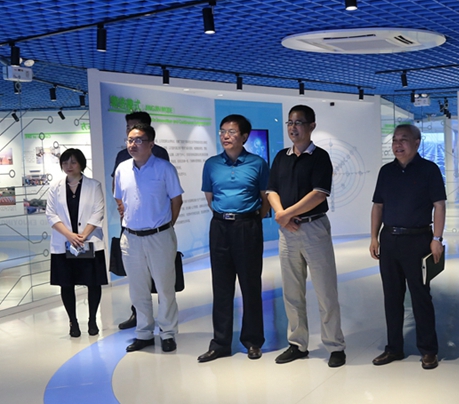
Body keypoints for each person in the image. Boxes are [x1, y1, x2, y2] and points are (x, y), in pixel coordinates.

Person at [267, 105, 346, 368]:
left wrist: (286, 214)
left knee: (325, 290)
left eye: (298, 122)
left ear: (311, 126)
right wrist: (282, 215)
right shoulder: (281, 157)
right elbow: (271, 190)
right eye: (290, 122)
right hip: (287, 231)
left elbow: (319, 194)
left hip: (313, 228)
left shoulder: (320, 157)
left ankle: (334, 345)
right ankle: (297, 344)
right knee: (292, 291)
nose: (293, 127)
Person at [369, 124, 446, 370]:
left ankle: (429, 350)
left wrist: (437, 239)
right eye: (394, 140)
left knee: (421, 296)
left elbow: (439, 205)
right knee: (391, 297)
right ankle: (394, 348)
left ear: (417, 142)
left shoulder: (429, 170)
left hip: (419, 241)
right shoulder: (386, 171)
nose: (397, 144)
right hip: (390, 239)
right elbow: (378, 206)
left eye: (403, 139)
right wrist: (374, 237)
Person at [197, 115, 270, 363]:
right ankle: (220, 343)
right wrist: (225, 215)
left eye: (231, 131)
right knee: (221, 286)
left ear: (245, 136)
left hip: (247, 226)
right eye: (222, 131)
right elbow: (210, 197)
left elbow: (265, 198)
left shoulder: (258, 163)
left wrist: (250, 219)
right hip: (219, 227)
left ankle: (253, 341)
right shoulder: (211, 164)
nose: (225, 136)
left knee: (250, 285)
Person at [114, 124, 184, 353]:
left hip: (159, 236)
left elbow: (176, 201)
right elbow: (119, 198)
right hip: (131, 238)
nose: (132, 144)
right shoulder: (122, 169)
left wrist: (166, 226)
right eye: (129, 140)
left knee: (165, 288)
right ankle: (143, 333)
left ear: (151, 144)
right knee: (138, 289)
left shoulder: (164, 168)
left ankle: (168, 332)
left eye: (138, 140)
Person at [112, 111, 170, 331]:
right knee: (136, 280)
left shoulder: (160, 155)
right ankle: (141, 321)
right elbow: (116, 187)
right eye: (128, 128)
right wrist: (121, 206)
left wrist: (167, 224)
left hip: (157, 228)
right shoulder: (121, 157)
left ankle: (166, 328)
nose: (131, 133)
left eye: (135, 127)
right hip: (131, 227)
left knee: (163, 282)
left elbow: (172, 195)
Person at [46, 148, 107, 337]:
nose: (69, 166)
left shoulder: (93, 185)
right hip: (64, 243)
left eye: (73, 162)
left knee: (93, 283)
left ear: (81, 163)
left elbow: (98, 212)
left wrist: (82, 235)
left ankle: (92, 320)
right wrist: (69, 236)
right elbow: (51, 214)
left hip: (89, 241)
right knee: (66, 284)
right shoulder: (55, 187)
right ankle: (73, 321)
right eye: (65, 162)